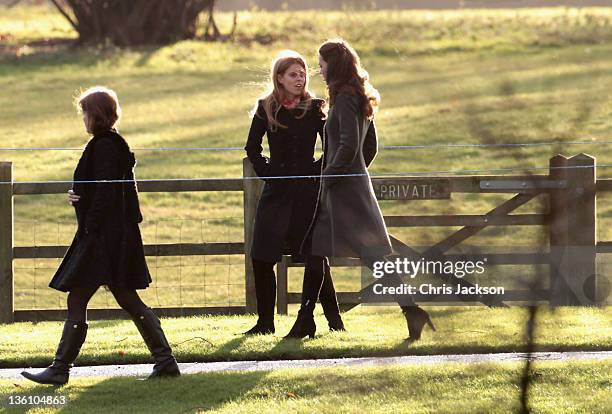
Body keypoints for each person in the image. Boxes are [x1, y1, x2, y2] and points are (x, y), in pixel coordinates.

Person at [21, 87, 180, 385]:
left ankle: (59, 369)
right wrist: (80, 196)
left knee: (80, 296)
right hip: (109, 233)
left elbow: (107, 193)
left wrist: (90, 226)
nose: (83, 119)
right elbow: (104, 189)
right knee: (125, 296)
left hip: (104, 236)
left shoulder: (105, 145)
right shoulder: (109, 143)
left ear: (96, 115)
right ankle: (165, 360)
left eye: (85, 113)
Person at [289, 39, 435, 341]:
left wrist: (330, 176)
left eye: (322, 63)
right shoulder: (356, 96)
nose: (319, 68)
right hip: (349, 187)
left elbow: (350, 145)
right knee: (321, 250)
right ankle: (307, 319)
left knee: (367, 255)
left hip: (342, 192)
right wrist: (355, 172)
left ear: (334, 65)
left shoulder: (344, 98)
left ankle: (411, 310)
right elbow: (370, 147)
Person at [244, 50, 345, 335]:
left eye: (303, 74)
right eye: (293, 74)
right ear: (279, 77)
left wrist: (314, 171)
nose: (300, 79)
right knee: (261, 255)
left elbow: (332, 147)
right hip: (276, 192)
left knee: (314, 254)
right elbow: (252, 148)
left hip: (306, 194)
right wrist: (268, 174)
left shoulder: (315, 107)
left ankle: (334, 321)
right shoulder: (266, 107)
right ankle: (265, 324)